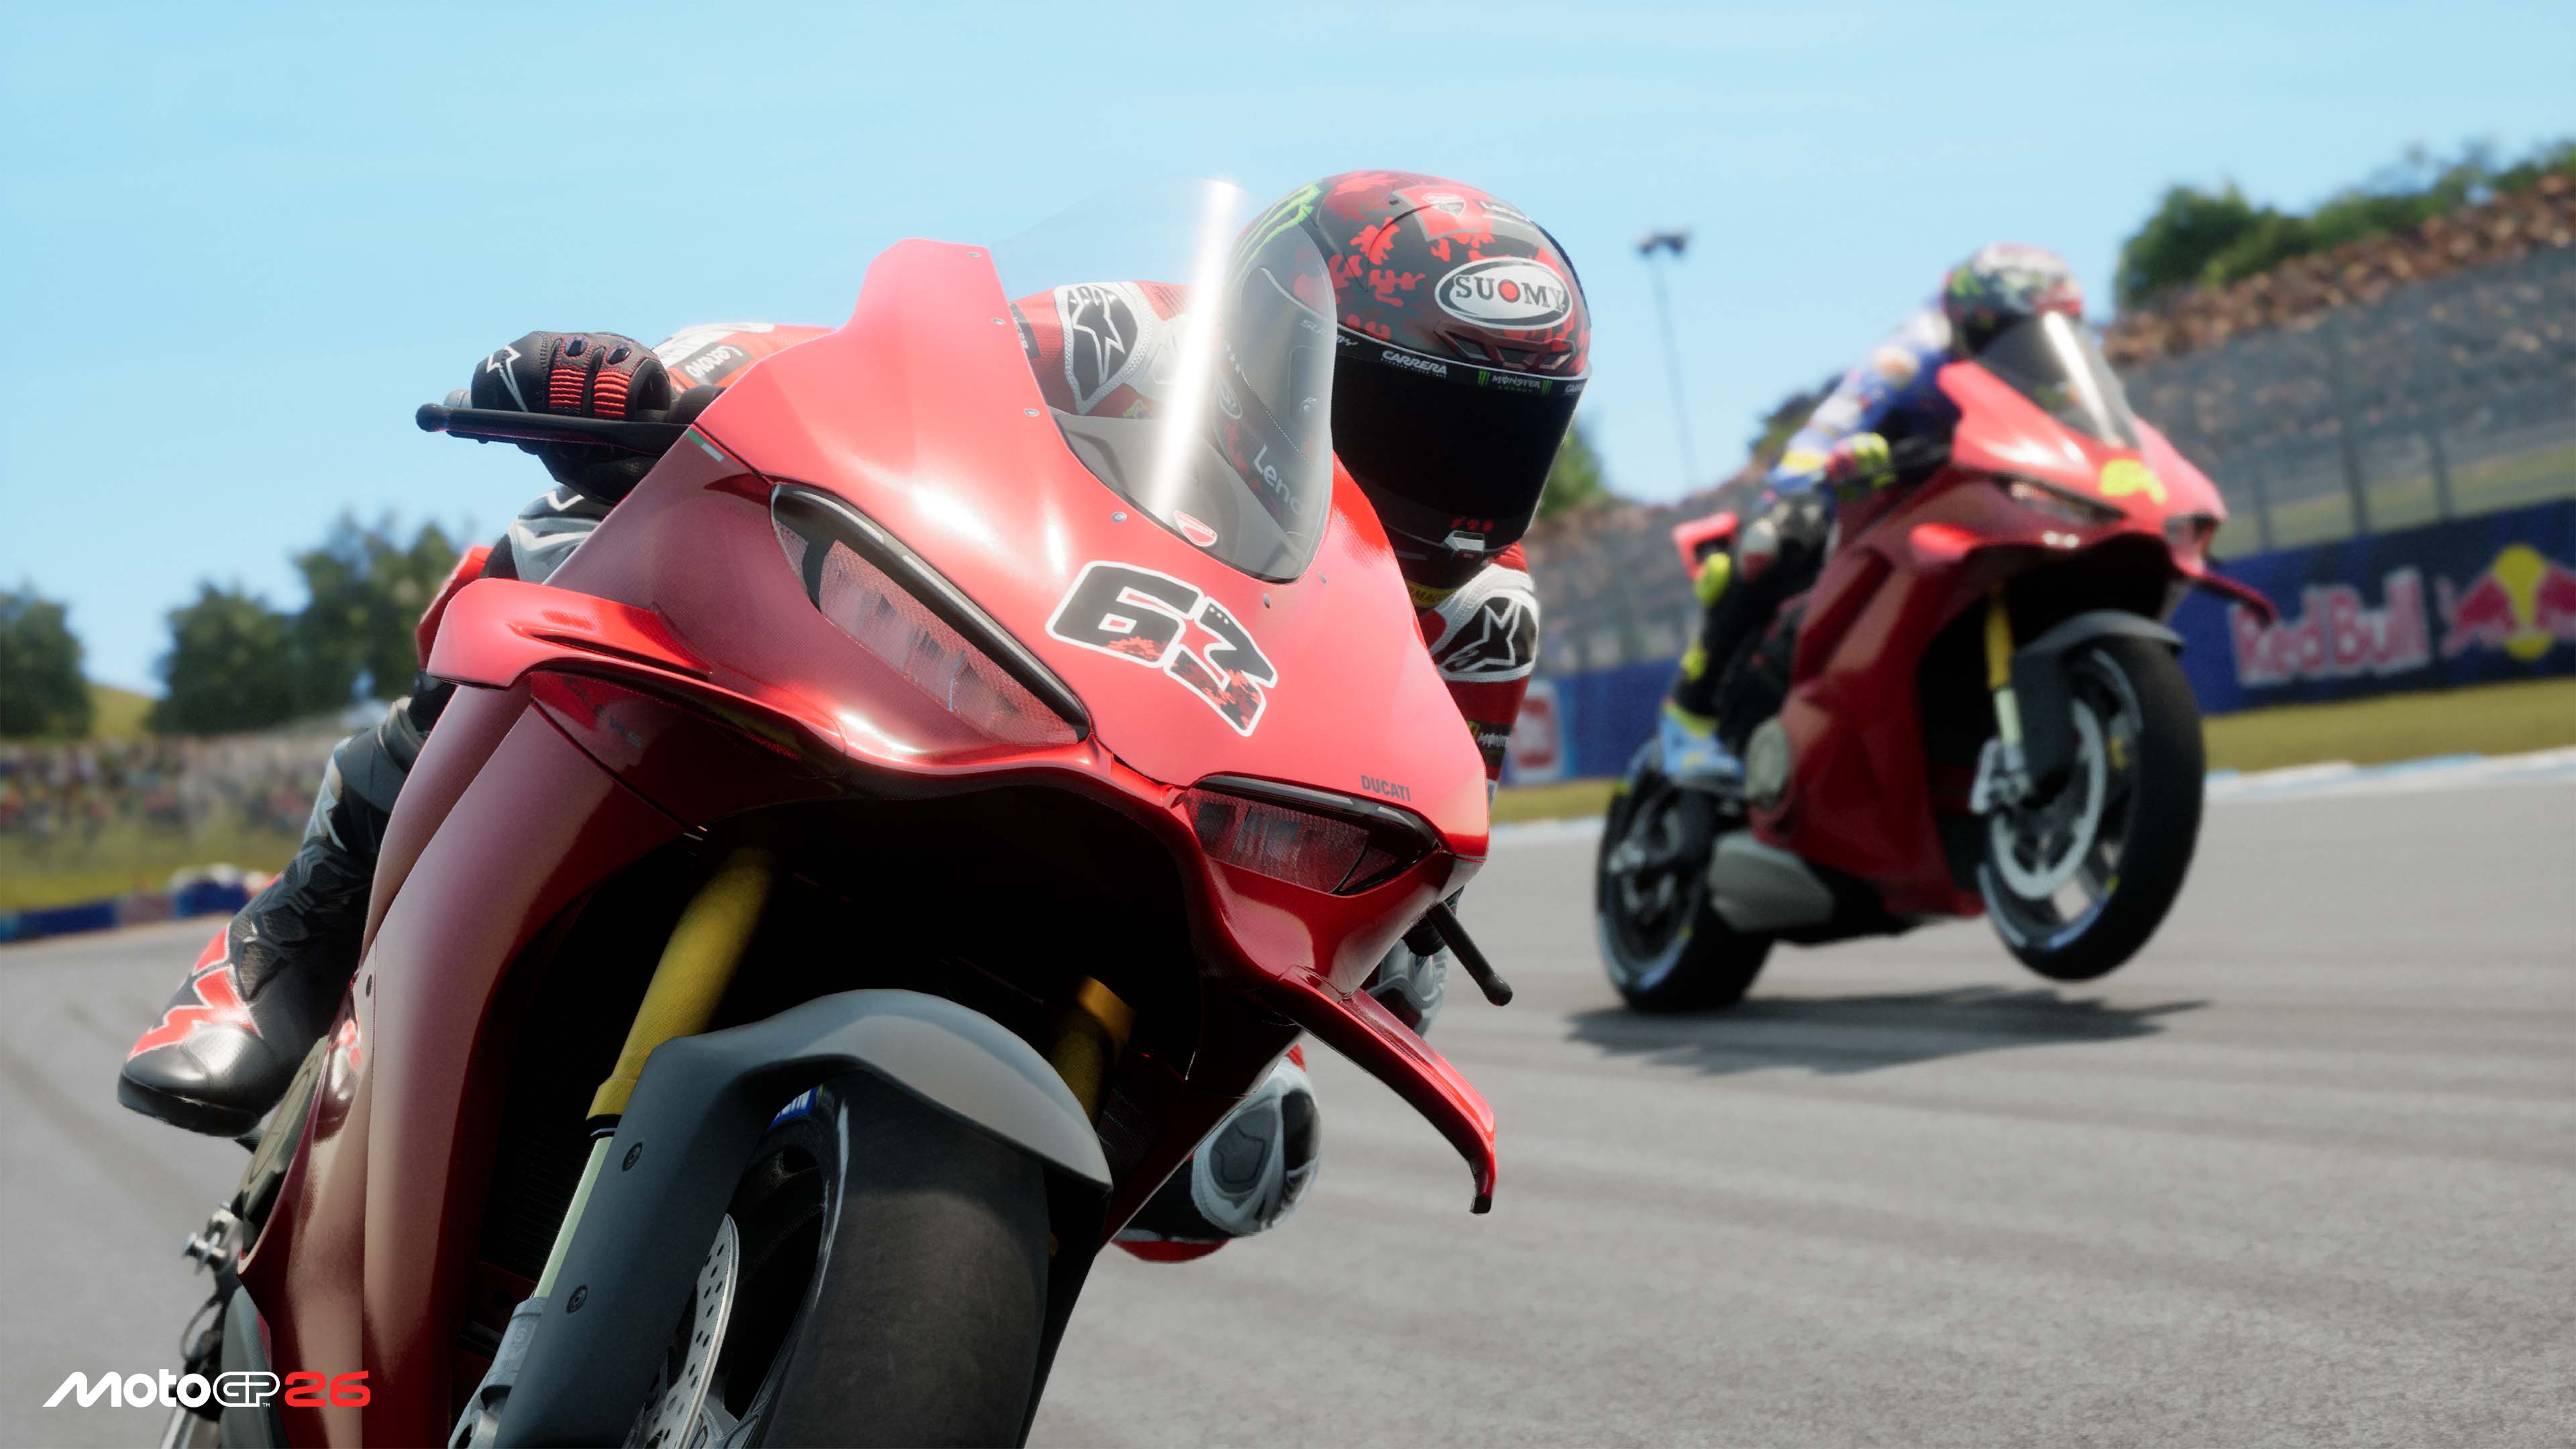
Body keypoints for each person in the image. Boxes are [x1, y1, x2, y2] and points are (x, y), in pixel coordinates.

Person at [118, 170, 1590, 1253]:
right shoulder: (1130, 340)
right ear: (1278, 332)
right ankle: (287, 942)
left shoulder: (1478, 618)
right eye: (1411, 418)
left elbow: (1415, 873)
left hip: (1161, 862)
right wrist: (670, 385)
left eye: (1502, 438)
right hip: (955, 686)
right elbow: (879, 371)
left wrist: (1359, 984)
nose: (1452, 483)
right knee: (566, 552)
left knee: (1249, 1157)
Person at [1664, 242, 2082, 772]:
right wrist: (1822, 470)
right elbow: (1831, 426)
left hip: (1969, 512)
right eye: (2016, 332)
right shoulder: (1914, 353)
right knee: (1776, 536)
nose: (2031, 347)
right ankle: (1689, 719)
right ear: (1975, 324)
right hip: (1868, 499)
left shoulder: (2055, 379)